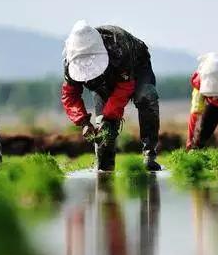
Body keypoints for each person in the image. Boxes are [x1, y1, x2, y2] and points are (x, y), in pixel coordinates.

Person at [60, 20, 161, 171]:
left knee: (146, 96)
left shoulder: (118, 46)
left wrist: (110, 117)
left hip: (136, 67)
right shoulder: (70, 63)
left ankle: (149, 155)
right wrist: (83, 122)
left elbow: (125, 86)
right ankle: (104, 168)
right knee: (103, 130)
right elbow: (70, 96)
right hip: (101, 83)